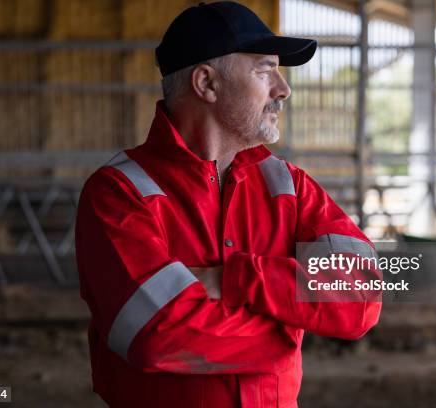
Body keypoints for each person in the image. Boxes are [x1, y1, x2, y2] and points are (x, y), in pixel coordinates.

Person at [75, 2, 381, 407]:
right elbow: (159, 335)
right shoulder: (119, 194)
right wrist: (284, 330)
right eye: (263, 70)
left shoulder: (290, 186)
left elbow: (363, 293)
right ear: (207, 83)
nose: (282, 88)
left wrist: (232, 279)